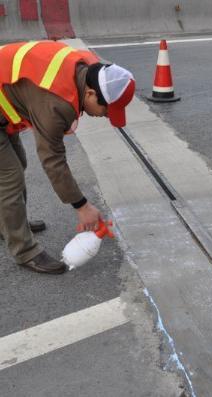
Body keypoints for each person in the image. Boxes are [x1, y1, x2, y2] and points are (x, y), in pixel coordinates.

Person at [0, 40, 135, 274]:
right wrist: (82, 206)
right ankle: (25, 251)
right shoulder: (55, 102)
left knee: (18, 162)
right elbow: (52, 159)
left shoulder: (88, 68)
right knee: (10, 177)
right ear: (90, 93)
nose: (104, 116)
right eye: (106, 110)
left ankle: (9, 224)